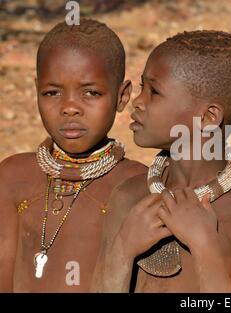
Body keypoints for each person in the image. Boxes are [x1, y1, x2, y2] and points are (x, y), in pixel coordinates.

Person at [92, 30, 231, 292]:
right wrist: (122, 249)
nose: (138, 102)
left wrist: (204, 246)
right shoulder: (128, 197)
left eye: (154, 92)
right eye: (142, 87)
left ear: (207, 118)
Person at [0, 19, 147, 292]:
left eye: (91, 92)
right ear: (36, 92)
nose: (69, 108)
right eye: (52, 92)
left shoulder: (139, 186)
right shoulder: (11, 178)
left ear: (122, 96)